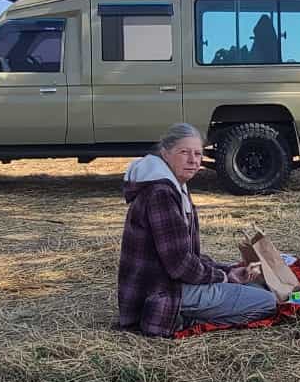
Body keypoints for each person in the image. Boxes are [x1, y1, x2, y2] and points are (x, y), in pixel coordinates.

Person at [117, 123, 277, 337]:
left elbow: (186, 256)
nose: (193, 160)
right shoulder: (161, 194)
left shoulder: (173, 185)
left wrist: (227, 270)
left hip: (168, 285)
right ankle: (180, 319)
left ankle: (189, 315)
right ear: (165, 153)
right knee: (267, 302)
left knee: (258, 289)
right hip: (162, 292)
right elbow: (180, 265)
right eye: (184, 152)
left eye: (198, 154)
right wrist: (223, 277)